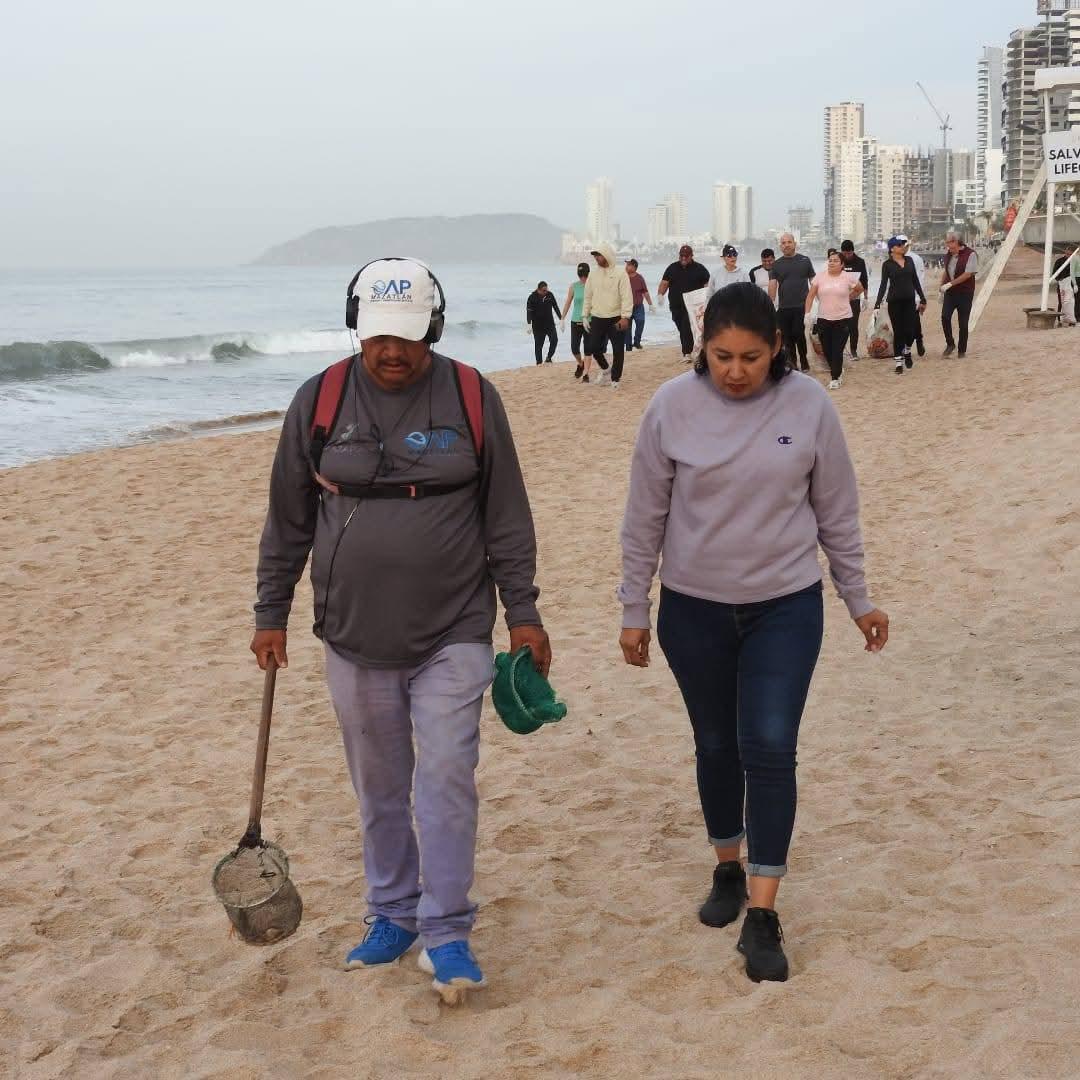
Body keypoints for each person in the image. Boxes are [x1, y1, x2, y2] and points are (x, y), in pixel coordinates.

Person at [251, 257, 551, 1003]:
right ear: (358, 328)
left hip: (455, 627)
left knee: (446, 776)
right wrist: (269, 613)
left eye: (410, 338)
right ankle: (392, 913)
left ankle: (447, 930)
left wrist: (524, 611)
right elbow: (287, 519)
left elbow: (506, 514)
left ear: (434, 330)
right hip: (351, 634)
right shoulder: (316, 401)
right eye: (380, 336)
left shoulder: (474, 396)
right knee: (379, 785)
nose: (394, 353)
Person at [617, 283, 889, 983]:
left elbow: (838, 510)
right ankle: (727, 869)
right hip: (693, 609)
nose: (736, 371)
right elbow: (644, 517)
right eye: (721, 356)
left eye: (752, 357)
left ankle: (763, 912)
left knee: (768, 746)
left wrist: (857, 598)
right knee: (715, 743)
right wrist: (633, 609)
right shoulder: (670, 407)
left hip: (785, 607)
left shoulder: (809, 405)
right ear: (703, 347)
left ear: (778, 349)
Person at [806, 250, 864, 389]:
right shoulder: (819, 277)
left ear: (842, 264)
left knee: (837, 349)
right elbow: (810, 296)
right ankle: (837, 370)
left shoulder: (847, 277)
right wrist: (807, 314)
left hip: (843, 318)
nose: (832, 263)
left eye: (835, 261)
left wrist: (850, 297)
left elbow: (860, 288)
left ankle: (835, 378)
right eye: (830, 260)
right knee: (827, 350)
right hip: (824, 319)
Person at [583, 241, 633, 388]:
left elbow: (626, 296)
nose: (596, 258)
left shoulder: (620, 273)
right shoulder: (593, 273)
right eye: (595, 256)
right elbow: (588, 295)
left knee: (618, 349)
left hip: (616, 317)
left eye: (599, 255)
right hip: (598, 317)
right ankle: (605, 369)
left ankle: (615, 379)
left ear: (606, 255)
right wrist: (584, 315)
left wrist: (625, 316)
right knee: (593, 347)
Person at [875, 237, 927, 374]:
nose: (903, 247)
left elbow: (915, 280)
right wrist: (876, 304)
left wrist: (922, 298)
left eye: (903, 245)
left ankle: (908, 351)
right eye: (900, 245)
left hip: (910, 301)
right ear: (892, 248)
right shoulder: (887, 265)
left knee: (910, 331)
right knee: (898, 332)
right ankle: (899, 363)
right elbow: (883, 285)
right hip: (894, 302)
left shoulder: (909, 261)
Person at [768, 234, 815, 372]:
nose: (786, 245)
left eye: (789, 242)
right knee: (787, 338)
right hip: (784, 307)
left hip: (801, 306)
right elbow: (772, 285)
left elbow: (814, 282)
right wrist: (769, 304)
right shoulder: (776, 264)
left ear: (795, 244)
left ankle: (804, 360)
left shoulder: (805, 260)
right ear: (780, 246)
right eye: (783, 243)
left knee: (799, 334)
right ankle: (793, 363)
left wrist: (819, 299)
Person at [659, 244, 711, 359]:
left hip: (693, 307)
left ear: (691, 256)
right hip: (676, 305)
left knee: (686, 326)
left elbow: (707, 286)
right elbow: (664, 283)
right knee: (681, 327)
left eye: (686, 256)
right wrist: (660, 295)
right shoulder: (672, 268)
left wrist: (708, 300)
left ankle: (686, 353)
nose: (683, 258)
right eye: (682, 256)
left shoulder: (700, 269)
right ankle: (692, 348)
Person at [940, 230, 978, 358]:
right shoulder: (948, 255)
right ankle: (950, 344)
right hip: (950, 294)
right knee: (945, 317)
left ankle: (962, 350)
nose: (947, 245)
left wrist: (950, 284)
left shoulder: (970, 254)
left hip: (965, 293)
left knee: (963, 323)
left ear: (956, 242)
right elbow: (946, 271)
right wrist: (941, 286)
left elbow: (968, 274)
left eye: (949, 242)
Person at [561, 263, 593, 380]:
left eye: (584, 275)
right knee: (574, 348)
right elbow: (568, 302)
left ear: (588, 274)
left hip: (589, 321)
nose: (582, 278)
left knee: (588, 349)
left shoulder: (593, 286)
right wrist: (562, 318)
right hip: (575, 321)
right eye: (581, 275)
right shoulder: (573, 286)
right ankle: (580, 364)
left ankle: (586, 374)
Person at [839, 240, 868, 360]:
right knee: (840, 325)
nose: (847, 256)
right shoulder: (839, 261)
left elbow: (865, 280)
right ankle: (840, 350)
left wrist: (866, 297)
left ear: (853, 251)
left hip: (854, 298)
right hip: (839, 298)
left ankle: (853, 350)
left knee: (853, 325)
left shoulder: (860, 262)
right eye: (845, 254)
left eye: (849, 254)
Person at [898, 236, 926, 357]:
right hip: (899, 297)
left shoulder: (916, 259)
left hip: (913, 296)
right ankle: (904, 347)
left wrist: (920, 298)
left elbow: (920, 279)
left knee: (914, 322)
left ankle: (919, 340)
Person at [525, 281, 561, 366]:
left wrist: (561, 318)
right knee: (538, 346)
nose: (546, 292)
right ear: (539, 290)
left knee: (554, 340)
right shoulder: (532, 297)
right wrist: (529, 324)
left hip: (550, 324)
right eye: (544, 290)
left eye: (547, 290)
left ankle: (548, 358)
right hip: (538, 326)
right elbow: (529, 312)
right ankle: (539, 364)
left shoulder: (550, 295)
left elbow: (555, 307)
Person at [623, 259, 654, 352]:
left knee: (640, 322)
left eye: (628, 265)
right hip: (626, 307)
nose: (626, 266)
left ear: (634, 267)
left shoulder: (640, 278)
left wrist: (650, 304)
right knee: (627, 328)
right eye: (626, 265)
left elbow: (645, 292)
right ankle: (628, 346)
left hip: (638, 307)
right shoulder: (623, 277)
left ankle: (637, 342)